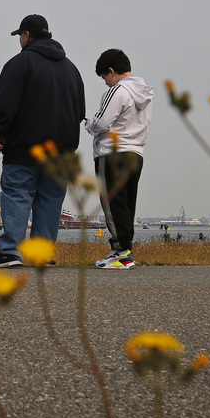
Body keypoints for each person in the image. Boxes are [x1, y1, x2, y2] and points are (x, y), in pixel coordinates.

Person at [0, 14, 85, 268]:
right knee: (50, 201)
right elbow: (80, 111)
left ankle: (10, 252)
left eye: (20, 35)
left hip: (25, 148)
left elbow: (6, 103)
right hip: (62, 152)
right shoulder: (72, 69)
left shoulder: (20, 64)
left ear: (26, 35)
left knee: (18, 195)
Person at [84, 48, 153, 269]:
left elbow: (102, 123)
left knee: (112, 203)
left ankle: (120, 252)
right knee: (127, 204)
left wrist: (88, 124)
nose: (106, 83)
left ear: (111, 71)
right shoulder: (144, 92)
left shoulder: (118, 91)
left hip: (112, 153)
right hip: (136, 153)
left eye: (105, 77)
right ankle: (125, 250)